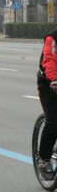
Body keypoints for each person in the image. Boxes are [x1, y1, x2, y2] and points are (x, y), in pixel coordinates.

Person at [36, 28, 57, 181]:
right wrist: (54, 79)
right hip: (49, 83)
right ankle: (44, 160)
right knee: (54, 121)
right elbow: (49, 59)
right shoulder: (53, 37)